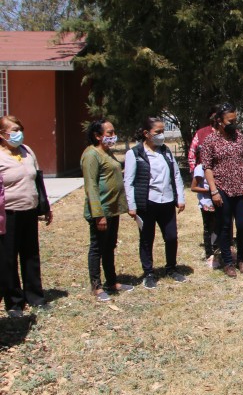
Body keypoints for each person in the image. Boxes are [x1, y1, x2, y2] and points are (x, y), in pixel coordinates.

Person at [124, 117, 186, 289]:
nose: (161, 135)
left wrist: (180, 198)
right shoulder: (134, 154)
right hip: (147, 203)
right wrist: (132, 206)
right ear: (146, 134)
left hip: (166, 201)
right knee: (146, 238)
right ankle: (149, 273)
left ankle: (171, 268)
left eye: (162, 131)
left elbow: (176, 175)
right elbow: (128, 181)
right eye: (157, 132)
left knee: (171, 236)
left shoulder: (166, 152)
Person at [0, 115, 52, 317]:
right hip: (8, 215)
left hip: (29, 211)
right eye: (13, 130)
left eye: (20, 129)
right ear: (2, 134)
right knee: (8, 258)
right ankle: (14, 302)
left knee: (31, 255)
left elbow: (38, 180)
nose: (18, 133)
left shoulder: (27, 151)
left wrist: (45, 206)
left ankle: (35, 296)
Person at [200, 104, 243, 277]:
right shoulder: (210, 141)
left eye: (235, 120)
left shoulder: (239, 136)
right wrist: (214, 191)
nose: (234, 123)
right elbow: (207, 167)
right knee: (224, 226)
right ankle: (228, 262)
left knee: (242, 225)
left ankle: (241, 259)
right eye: (230, 121)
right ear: (219, 121)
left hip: (241, 188)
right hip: (222, 189)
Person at [81, 119, 134, 302]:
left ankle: (112, 281)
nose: (113, 136)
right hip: (101, 212)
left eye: (113, 132)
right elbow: (91, 186)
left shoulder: (107, 152)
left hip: (112, 210)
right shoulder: (91, 155)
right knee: (97, 248)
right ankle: (96, 286)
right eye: (109, 133)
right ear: (97, 136)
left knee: (109, 247)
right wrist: (98, 215)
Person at [190, 145, 218, 268]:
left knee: (219, 227)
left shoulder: (215, 167)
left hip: (218, 201)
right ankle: (209, 254)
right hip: (207, 203)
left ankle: (218, 251)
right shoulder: (200, 168)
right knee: (209, 228)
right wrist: (208, 190)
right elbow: (193, 187)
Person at [187, 106, 217, 175]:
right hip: (203, 174)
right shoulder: (201, 133)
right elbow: (192, 153)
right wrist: (193, 170)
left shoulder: (227, 134)